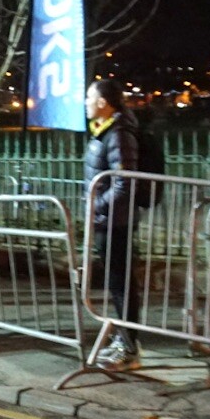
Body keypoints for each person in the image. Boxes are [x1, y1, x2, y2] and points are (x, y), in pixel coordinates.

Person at [84, 79, 142, 371]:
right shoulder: (104, 131)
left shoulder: (118, 134)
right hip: (106, 221)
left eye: (89, 98)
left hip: (116, 223)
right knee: (116, 283)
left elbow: (124, 183)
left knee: (122, 284)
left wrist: (95, 205)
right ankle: (123, 339)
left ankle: (130, 347)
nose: (85, 103)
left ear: (103, 103)